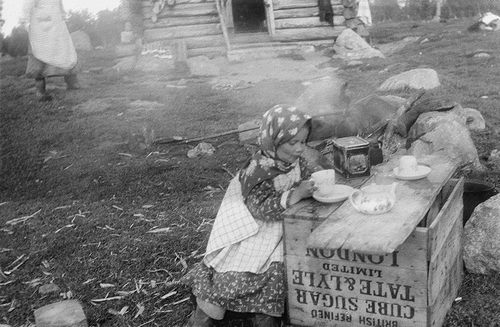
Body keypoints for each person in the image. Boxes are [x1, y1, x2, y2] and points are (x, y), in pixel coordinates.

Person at [181, 104, 320, 327]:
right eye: (292, 143)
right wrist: (295, 195)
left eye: (303, 142)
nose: (299, 149)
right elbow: (261, 208)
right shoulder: (258, 169)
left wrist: (316, 183)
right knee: (236, 270)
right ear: (273, 140)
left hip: (280, 226)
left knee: (279, 269)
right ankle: (205, 318)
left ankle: (264, 316)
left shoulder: (295, 162)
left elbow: (310, 174)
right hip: (252, 228)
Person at [20, 0, 81, 101]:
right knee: (39, 55)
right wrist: (25, 22)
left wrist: (64, 19)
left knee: (66, 51)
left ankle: (71, 83)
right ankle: (40, 91)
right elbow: (27, 5)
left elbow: (60, 5)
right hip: (40, 25)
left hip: (57, 23)